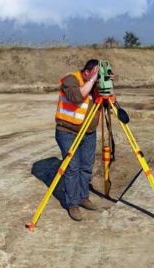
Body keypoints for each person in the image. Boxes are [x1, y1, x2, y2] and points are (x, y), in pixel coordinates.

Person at [55, 59, 101, 221]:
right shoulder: (71, 80)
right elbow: (76, 97)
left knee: (86, 166)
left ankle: (83, 197)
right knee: (72, 168)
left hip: (88, 133)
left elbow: (108, 102)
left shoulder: (95, 84)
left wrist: (105, 84)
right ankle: (73, 204)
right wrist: (92, 81)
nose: (97, 77)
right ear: (87, 72)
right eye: (95, 73)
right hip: (68, 132)